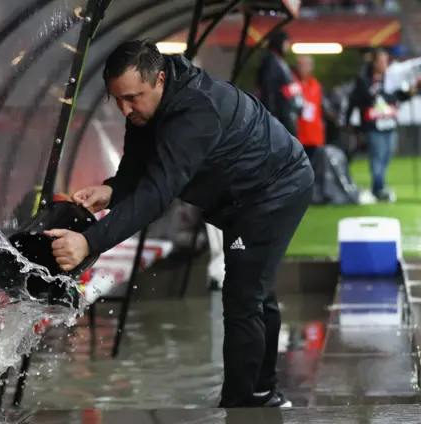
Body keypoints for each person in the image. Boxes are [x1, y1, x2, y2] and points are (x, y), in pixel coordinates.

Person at [43, 39, 314, 408]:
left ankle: (244, 404)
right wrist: (112, 190)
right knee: (255, 291)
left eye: (133, 97)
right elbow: (139, 167)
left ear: (158, 79)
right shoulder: (147, 106)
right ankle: (263, 393)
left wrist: (90, 243)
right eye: (116, 99)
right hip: (241, 196)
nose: (125, 109)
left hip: (273, 190)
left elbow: (157, 194)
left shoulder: (195, 112)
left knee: (244, 295)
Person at [345, 48, 416, 202]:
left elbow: (400, 97)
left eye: (386, 61)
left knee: (386, 157)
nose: (385, 65)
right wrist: (348, 120)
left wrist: (409, 93)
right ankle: (378, 189)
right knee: (377, 158)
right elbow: (354, 101)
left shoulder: (392, 80)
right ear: (375, 63)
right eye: (381, 61)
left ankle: (380, 186)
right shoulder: (365, 81)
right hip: (374, 126)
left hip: (390, 125)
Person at [257, 31, 304, 137]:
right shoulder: (271, 60)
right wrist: (271, 112)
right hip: (280, 112)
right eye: (286, 43)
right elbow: (268, 88)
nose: (288, 46)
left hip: (284, 110)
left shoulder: (279, 60)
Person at [292, 55, 326, 160]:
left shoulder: (316, 85)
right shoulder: (292, 84)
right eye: (301, 65)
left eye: (306, 65)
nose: (303, 68)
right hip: (297, 135)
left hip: (314, 136)